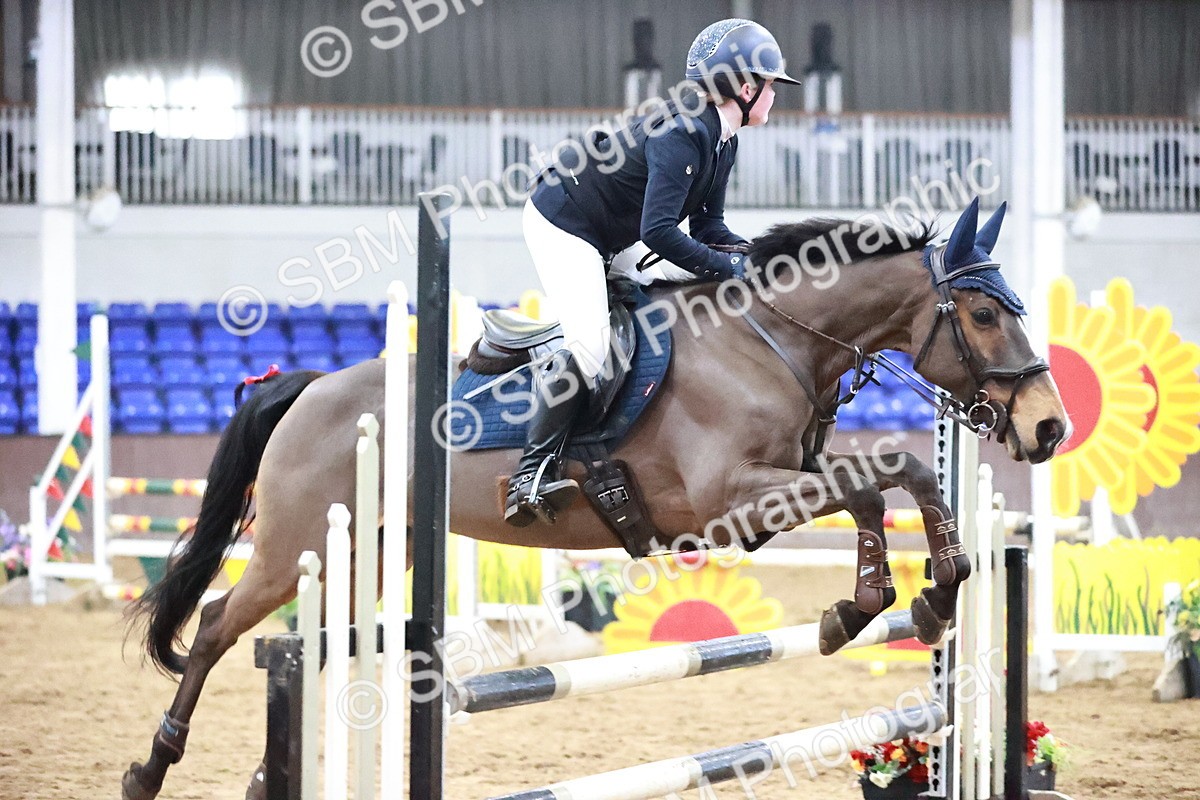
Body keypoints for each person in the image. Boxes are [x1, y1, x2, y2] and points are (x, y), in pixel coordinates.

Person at [505, 18, 800, 527]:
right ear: (746, 87)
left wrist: (755, 259)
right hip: (565, 222)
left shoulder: (723, 137)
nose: (775, 96)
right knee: (593, 349)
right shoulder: (684, 131)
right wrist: (731, 270)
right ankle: (528, 475)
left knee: (658, 304)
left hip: (611, 231)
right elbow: (661, 232)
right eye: (771, 85)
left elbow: (709, 226)